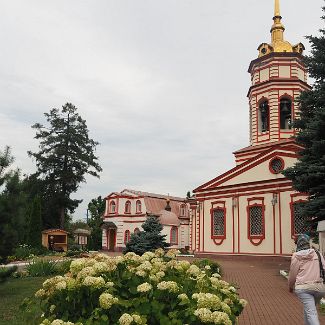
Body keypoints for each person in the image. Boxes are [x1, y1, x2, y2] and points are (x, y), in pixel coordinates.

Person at [288, 234, 325, 325]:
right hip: (319, 288)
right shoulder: (318, 253)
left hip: (303, 288)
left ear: (298, 244)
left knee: (311, 312)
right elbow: (324, 268)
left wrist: (290, 286)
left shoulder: (296, 256)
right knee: (309, 310)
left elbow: (292, 274)